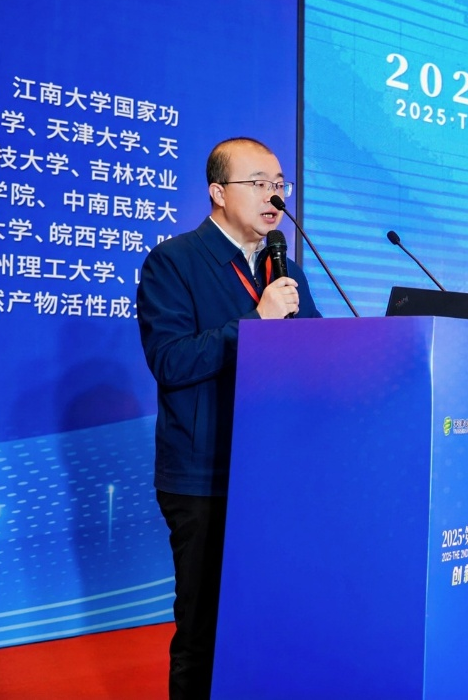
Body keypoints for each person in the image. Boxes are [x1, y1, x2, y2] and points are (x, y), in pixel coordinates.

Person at [137, 137, 321, 699]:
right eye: (259, 184)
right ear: (218, 193)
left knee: (272, 619)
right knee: (204, 629)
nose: (275, 196)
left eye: (280, 184)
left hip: (277, 473)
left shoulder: (284, 269)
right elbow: (170, 361)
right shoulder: (174, 261)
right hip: (206, 476)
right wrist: (256, 324)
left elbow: (320, 354)